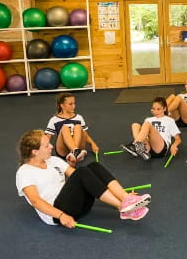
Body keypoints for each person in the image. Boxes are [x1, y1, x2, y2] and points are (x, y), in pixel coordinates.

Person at [16, 130, 151, 227]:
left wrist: (117, 193)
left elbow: (86, 178)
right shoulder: (24, 173)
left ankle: (126, 198)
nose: (51, 146)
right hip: (60, 213)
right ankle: (123, 207)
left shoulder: (53, 160)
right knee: (82, 172)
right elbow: (36, 202)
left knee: (94, 166)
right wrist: (61, 216)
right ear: (34, 152)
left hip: (79, 205)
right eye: (46, 145)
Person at [45, 92, 99, 167]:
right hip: (63, 150)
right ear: (62, 106)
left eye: (74, 103)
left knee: (78, 126)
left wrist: (93, 144)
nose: (74, 106)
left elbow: (85, 135)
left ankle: (74, 153)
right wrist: (42, 151)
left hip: (79, 146)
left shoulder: (79, 117)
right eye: (70, 104)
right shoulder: (54, 119)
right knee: (64, 128)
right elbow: (47, 138)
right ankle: (75, 152)